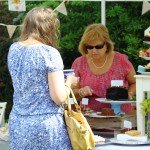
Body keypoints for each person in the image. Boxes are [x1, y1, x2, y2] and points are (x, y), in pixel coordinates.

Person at [7, 7, 78, 150]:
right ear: (50, 27)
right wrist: (69, 82)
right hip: (45, 126)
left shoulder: (14, 49)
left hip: (18, 123)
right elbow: (58, 97)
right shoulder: (50, 53)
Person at [72, 23, 136, 112]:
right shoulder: (79, 63)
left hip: (119, 116)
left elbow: (135, 82)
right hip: (89, 117)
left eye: (98, 46)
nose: (94, 51)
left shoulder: (121, 60)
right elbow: (71, 92)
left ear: (106, 44)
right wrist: (80, 91)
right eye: (89, 47)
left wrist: (129, 93)